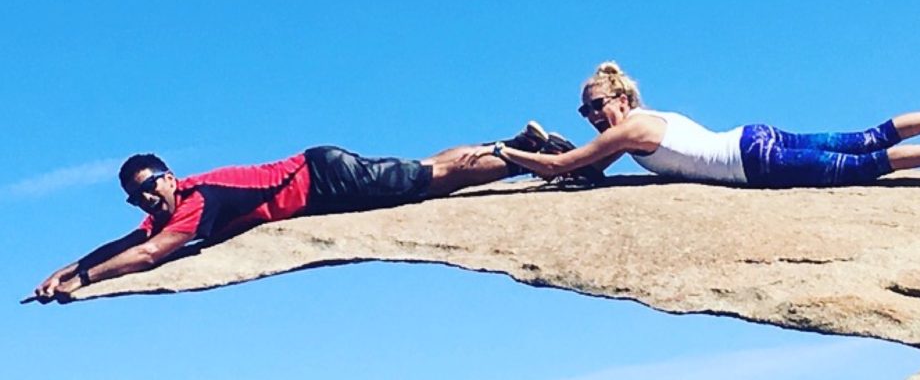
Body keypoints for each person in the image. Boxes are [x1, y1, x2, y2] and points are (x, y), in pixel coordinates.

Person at [31, 123, 580, 304]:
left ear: (168, 177)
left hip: (326, 181)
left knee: (431, 182)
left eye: (151, 187)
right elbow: (128, 241)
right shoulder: (172, 206)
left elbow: (150, 254)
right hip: (324, 175)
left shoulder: (198, 200)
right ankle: (511, 141)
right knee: (421, 171)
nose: (146, 199)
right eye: (138, 196)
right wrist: (72, 268)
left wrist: (85, 282)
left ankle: (522, 160)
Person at [472, 61, 920, 190]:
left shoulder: (627, 130)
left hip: (757, 162)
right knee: (864, 138)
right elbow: (589, 172)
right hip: (755, 140)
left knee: (867, 163)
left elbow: (568, 164)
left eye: (594, 106)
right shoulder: (637, 124)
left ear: (620, 97)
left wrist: (506, 152)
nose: (592, 117)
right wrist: (548, 152)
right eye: (586, 113)